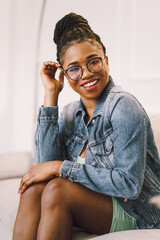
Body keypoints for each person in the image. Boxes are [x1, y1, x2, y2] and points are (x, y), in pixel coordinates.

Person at [13, 12, 160, 240]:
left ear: (106, 61)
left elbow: (129, 185)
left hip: (137, 210)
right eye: (74, 68)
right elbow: (42, 170)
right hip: (95, 202)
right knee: (34, 190)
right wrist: (51, 95)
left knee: (58, 191)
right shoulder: (71, 112)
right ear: (65, 74)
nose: (86, 74)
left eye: (93, 62)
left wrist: (61, 168)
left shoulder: (123, 106)